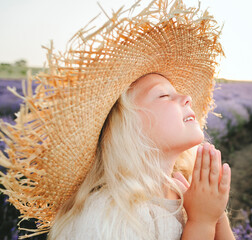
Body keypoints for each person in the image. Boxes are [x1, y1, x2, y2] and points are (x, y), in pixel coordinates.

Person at [0, 0, 234, 239]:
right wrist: (202, 222)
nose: (186, 97)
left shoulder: (184, 192)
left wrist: (216, 213)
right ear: (129, 127)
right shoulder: (106, 214)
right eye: (164, 95)